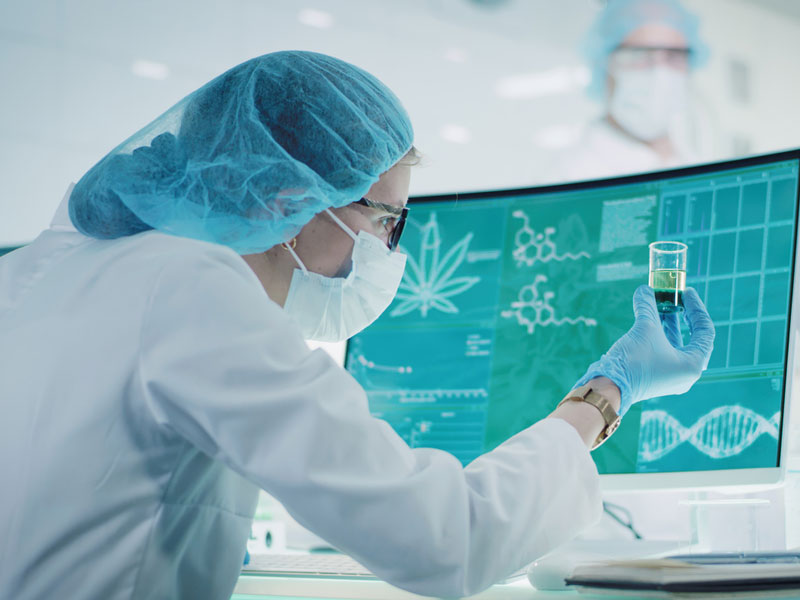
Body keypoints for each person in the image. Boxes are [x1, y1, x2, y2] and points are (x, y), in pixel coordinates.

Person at [0, 50, 714, 599]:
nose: (383, 251)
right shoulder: (196, 289)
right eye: (385, 219)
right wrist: (604, 393)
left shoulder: (51, 265)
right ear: (288, 196)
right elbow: (446, 539)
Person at [559, 0, 710, 181]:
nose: (659, 73)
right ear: (605, 65)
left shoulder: (692, 162)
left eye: (674, 56)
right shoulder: (570, 178)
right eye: (640, 54)